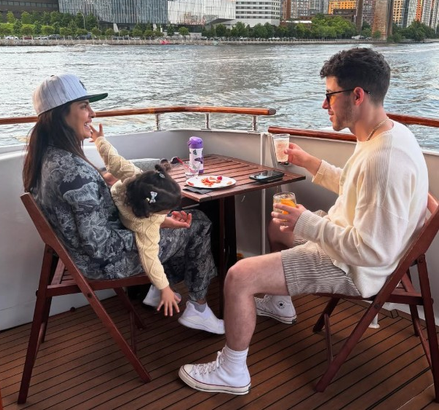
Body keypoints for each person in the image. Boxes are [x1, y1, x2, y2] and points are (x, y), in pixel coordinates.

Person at [178, 47, 429, 394]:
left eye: (330, 95)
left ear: (357, 95)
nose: (324, 105)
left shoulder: (383, 160)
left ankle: (232, 371)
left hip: (353, 267)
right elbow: (355, 187)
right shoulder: (383, 134)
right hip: (347, 243)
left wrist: (307, 222)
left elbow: (373, 251)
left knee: (238, 276)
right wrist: (309, 162)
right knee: (278, 225)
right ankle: (280, 303)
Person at [22, 73, 224, 335]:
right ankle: (198, 308)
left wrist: (155, 220)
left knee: (162, 214)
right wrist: (153, 227)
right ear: (60, 114)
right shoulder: (74, 172)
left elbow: (90, 213)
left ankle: (158, 287)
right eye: (84, 106)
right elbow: (99, 246)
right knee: (198, 224)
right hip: (101, 265)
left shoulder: (47, 157)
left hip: (75, 254)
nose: (92, 113)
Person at [90, 123, 184, 316]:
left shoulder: (135, 176)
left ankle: (151, 291)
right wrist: (165, 287)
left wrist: (99, 140)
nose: (167, 213)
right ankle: (160, 290)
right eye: (165, 211)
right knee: (199, 225)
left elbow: (112, 159)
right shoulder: (146, 225)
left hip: (118, 212)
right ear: (151, 211)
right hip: (125, 231)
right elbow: (150, 259)